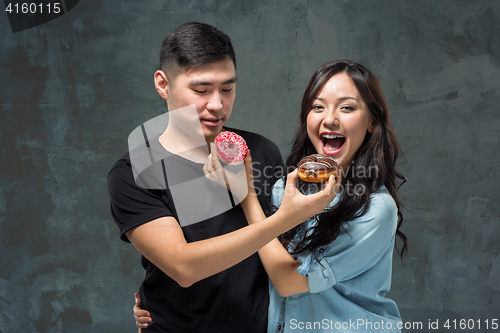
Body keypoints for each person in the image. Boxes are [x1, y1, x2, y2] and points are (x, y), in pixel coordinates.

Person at [135, 59, 408, 332]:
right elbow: (244, 257)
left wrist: (247, 195)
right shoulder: (283, 188)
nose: (330, 119)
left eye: (347, 107)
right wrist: (157, 299)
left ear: (372, 120)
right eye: (317, 106)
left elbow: (289, 282)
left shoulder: (375, 209)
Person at [108, 22, 340, 333]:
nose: (217, 105)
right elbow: (184, 267)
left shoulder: (260, 151)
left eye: (227, 89)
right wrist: (284, 218)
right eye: (201, 90)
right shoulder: (134, 172)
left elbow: (289, 255)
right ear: (163, 84)